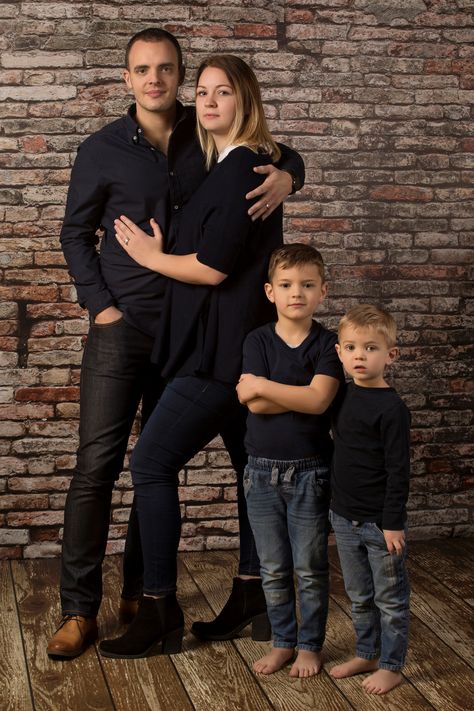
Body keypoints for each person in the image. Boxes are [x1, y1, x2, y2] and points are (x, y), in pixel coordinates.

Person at [47, 28, 304, 659]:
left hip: (193, 330)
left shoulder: (208, 128)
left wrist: (291, 176)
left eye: (166, 69)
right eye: (142, 70)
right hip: (125, 326)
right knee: (98, 465)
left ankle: (143, 595)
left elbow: (274, 152)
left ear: (179, 76)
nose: (154, 79)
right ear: (127, 78)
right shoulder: (101, 149)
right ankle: (79, 611)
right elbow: (75, 234)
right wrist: (101, 307)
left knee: (158, 462)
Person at [235, 244, 342, 678]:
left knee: (310, 567)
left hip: (311, 470)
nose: (296, 292)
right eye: (286, 285)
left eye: (306, 285)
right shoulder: (257, 340)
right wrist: (292, 394)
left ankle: (309, 646)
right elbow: (252, 405)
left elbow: (319, 402)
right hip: (259, 471)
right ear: (270, 291)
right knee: (273, 567)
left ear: (323, 292)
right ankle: (282, 641)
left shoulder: (329, 343)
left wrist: (265, 385)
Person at [329, 304, 411, 695]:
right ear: (340, 352)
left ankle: (392, 664)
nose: (359, 355)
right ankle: (368, 652)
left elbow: (398, 470)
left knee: (389, 599)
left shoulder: (393, 409)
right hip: (343, 516)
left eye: (370, 348)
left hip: (380, 522)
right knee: (359, 595)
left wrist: (393, 521)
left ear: (390, 355)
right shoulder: (342, 395)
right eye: (351, 347)